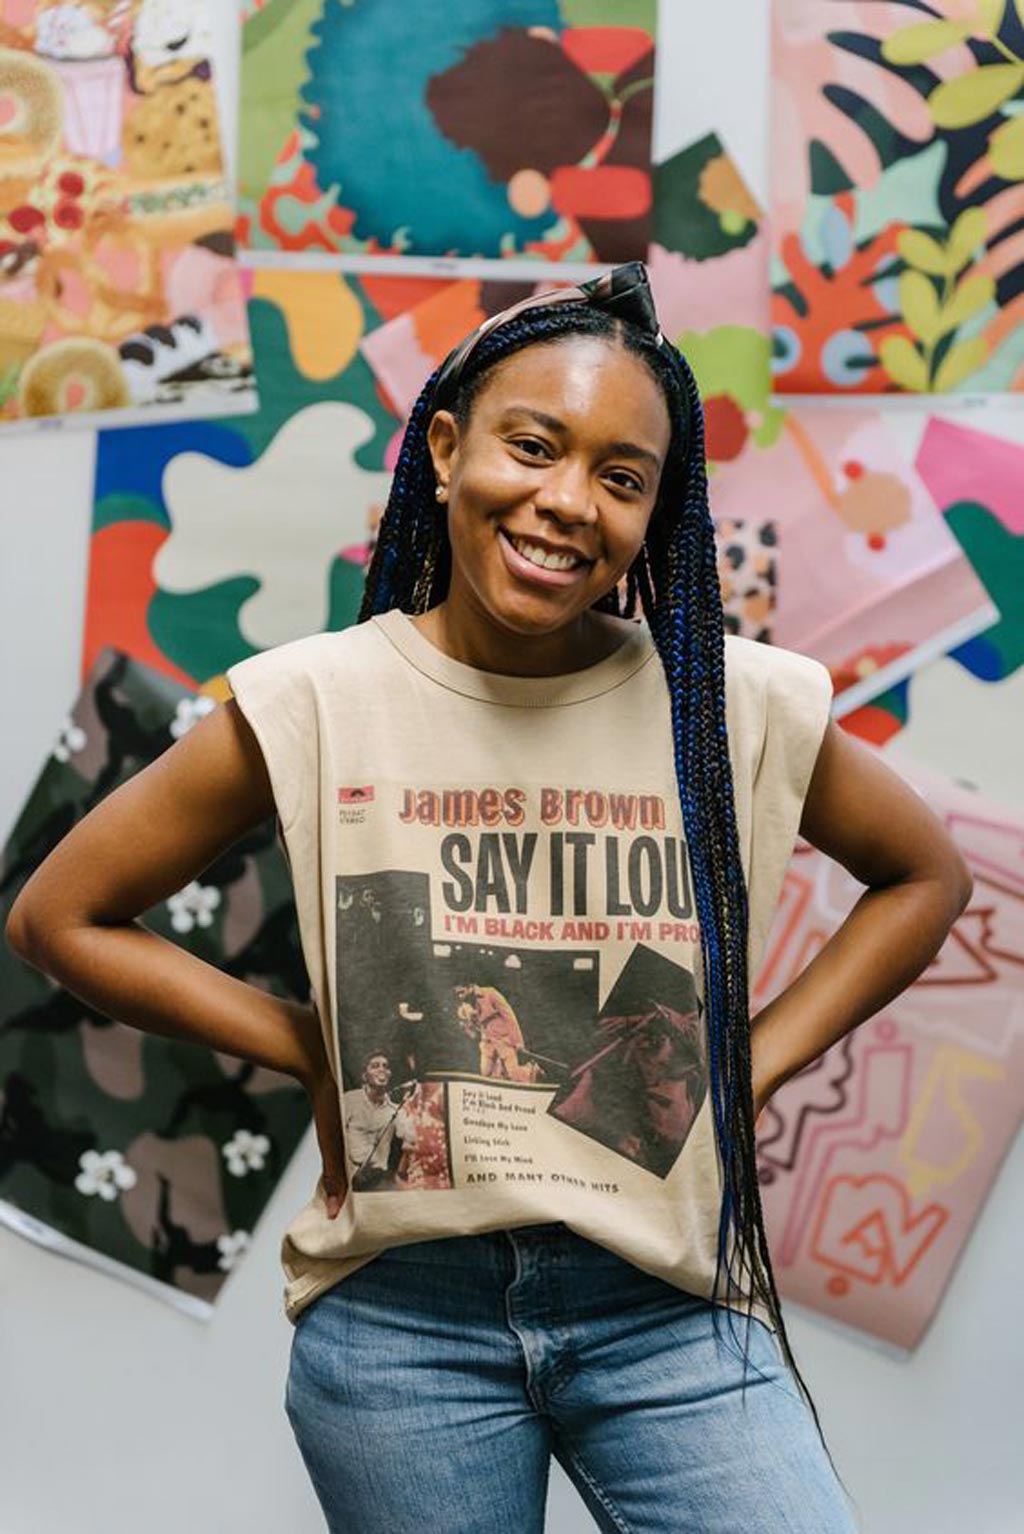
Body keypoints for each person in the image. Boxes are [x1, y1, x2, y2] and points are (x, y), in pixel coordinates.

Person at [6, 263, 972, 1533]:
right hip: (404, 1325)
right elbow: (54, 914)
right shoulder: (315, 699)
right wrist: (303, 1043)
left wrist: (744, 1067)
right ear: (449, 450)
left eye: (621, 479)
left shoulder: (731, 703)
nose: (568, 503)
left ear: (654, 518)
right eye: (534, 446)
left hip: (668, 1310)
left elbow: (925, 877)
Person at [341, 1050, 399, 1187]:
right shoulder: (349, 1100)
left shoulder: (396, 1110)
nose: (381, 1070)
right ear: (364, 1076)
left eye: (386, 1066)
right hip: (349, 1179)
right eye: (375, 1066)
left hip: (378, 1182)